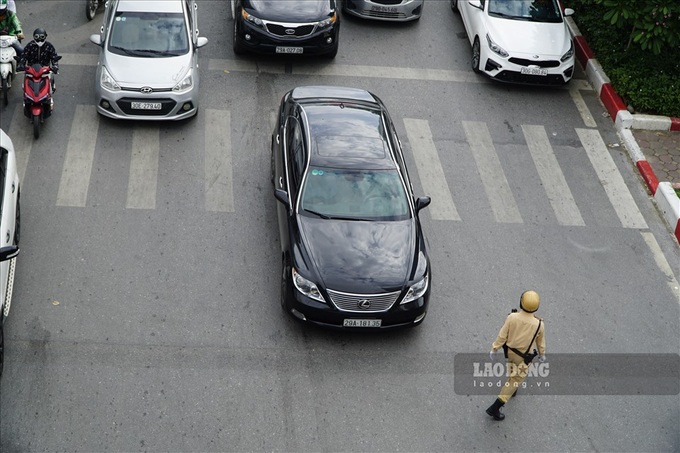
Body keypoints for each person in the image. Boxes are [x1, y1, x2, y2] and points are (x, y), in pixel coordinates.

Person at [485, 290, 546, 421]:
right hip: (524, 357)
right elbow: (540, 342)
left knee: (512, 370)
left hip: (510, 352)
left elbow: (502, 335)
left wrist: (494, 349)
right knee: (515, 380)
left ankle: (513, 389)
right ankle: (495, 408)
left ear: (521, 302)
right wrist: (542, 354)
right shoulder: (539, 324)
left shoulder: (512, 317)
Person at [17, 27, 59, 91]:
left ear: (45, 36)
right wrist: (21, 64)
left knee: (50, 79)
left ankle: (50, 91)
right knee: (27, 83)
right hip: (31, 70)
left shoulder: (49, 46)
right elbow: (24, 55)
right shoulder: (30, 45)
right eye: (37, 37)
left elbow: (54, 56)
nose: (39, 39)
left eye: (42, 37)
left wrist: (55, 66)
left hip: (45, 69)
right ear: (34, 37)